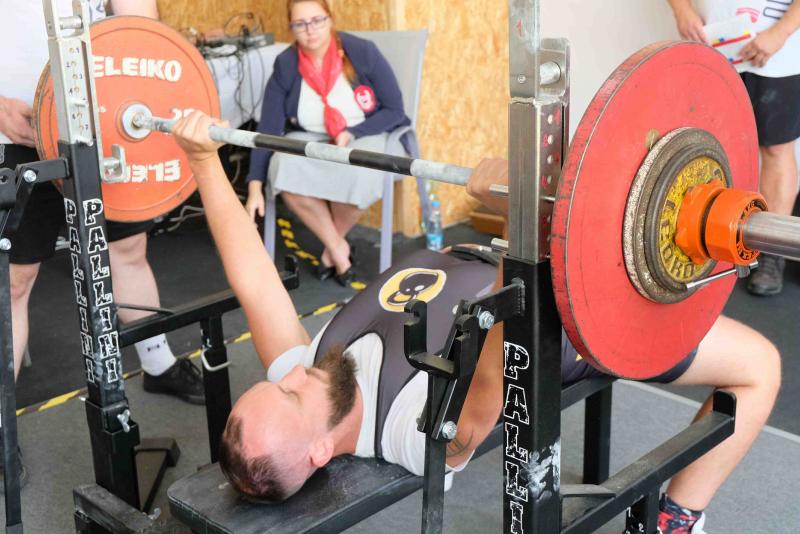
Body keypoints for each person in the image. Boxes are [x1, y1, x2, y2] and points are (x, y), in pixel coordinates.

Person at [173, 113, 780, 534]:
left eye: (275, 379)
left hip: (502, 256)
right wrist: (515, 212)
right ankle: (674, 519)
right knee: (760, 368)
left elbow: (253, 279)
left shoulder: (314, 374)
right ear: (321, 450)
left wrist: (203, 160)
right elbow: (505, 329)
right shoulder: (420, 431)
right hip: (566, 314)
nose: (290, 373)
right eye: (288, 394)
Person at [1, 0, 204, 408]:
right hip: (17, 132)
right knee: (14, 280)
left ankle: (158, 363)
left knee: (127, 250)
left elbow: (142, 31)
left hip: (101, 125)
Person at [245, 0, 414, 286]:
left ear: (330, 19)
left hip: (366, 132)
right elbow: (269, 129)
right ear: (291, 27)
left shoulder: (362, 52)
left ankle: (330, 252)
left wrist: (353, 132)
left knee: (362, 171)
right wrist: (254, 186)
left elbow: (394, 110)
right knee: (283, 166)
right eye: (300, 24)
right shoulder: (286, 63)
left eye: (317, 20)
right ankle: (337, 249)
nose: (310, 30)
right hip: (311, 136)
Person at [668, 0, 800, 296]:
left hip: (778, 54)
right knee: (703, 142)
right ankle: (707, 236)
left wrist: (781, 32)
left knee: (776, 149)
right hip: (711, 43)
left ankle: (771, 253)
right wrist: (682, 11)